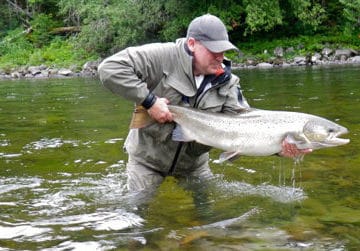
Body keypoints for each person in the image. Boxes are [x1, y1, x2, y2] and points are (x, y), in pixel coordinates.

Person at [98, 14, 311, 195]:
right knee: (137, 214)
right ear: (192, 44)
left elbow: (245, 126)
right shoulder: (161, 57)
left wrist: (278, 148)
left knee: (209, 217)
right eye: (213, 50)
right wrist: (150, 102)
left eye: (224, 50)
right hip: (147, 160)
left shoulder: (228, 82)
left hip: (193, 166)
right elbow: (109, 69)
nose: (221, 56)